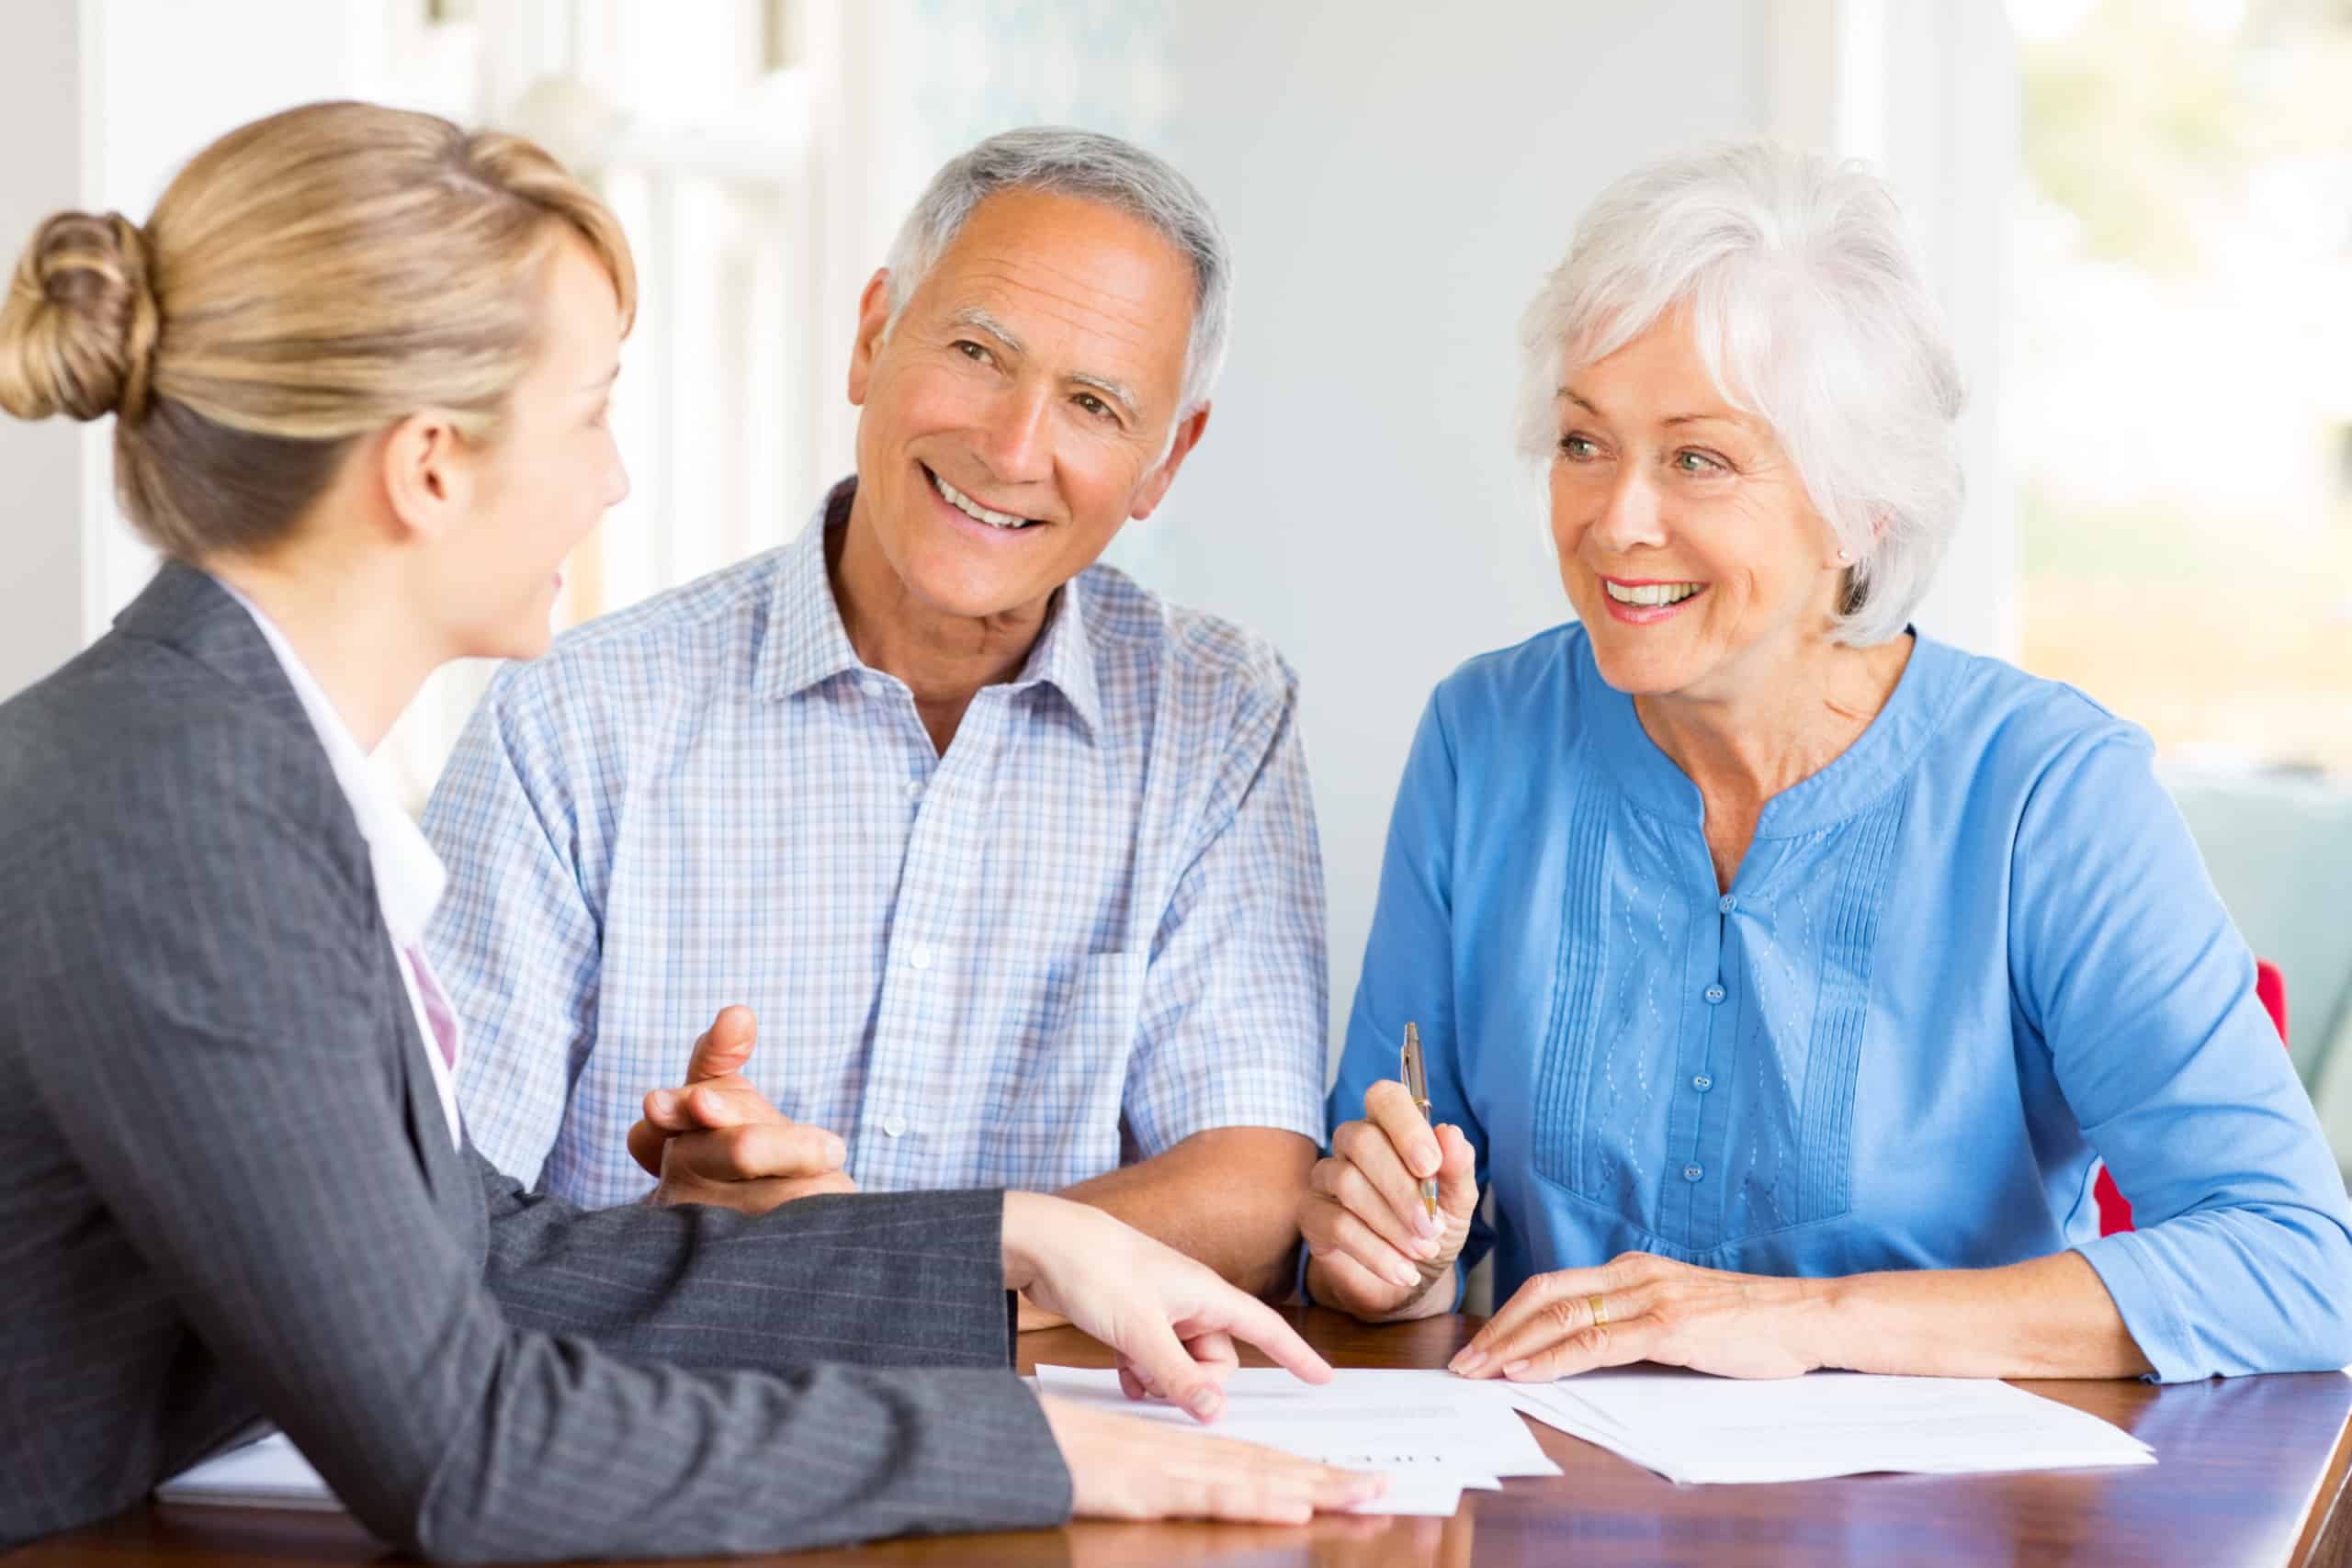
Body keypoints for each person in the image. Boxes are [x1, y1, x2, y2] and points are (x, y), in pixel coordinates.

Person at [0, 100, 1380, 1560]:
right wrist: (1018, 1441)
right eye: (589, 412)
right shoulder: (190, 823)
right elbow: (471, 1450)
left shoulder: (216, 768)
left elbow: (485, 1257)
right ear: (427, 466)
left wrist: (1007, 1239)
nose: (614, 480)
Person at [1300, 139, 2352, 1384]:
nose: (1614, 519)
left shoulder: (2048, 792)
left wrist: (1797, 1324)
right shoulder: (1483, 737)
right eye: (1585, 443)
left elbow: (2293, 1267)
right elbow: (1377, 1219)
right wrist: (1390, 1258)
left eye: (1697, 458)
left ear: (1861, 506)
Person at [421, 127, 1328, 1314]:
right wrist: (669, 1237)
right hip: (663, 1442)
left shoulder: (1219, 714)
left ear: (1165, 460)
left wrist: (844, 1267)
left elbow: (1253, 1194)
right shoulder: (577, 718)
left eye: (1096, 405)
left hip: (1056, 1455)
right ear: (871, 336)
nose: (1011, 449)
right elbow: (424, 1217)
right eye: (976, 350)